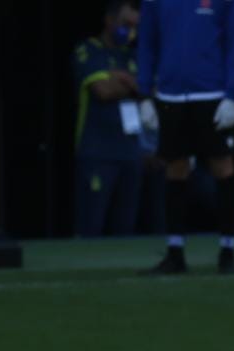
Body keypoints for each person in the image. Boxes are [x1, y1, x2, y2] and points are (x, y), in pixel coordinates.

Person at [137, 0, 234, 274]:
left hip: (211, 93)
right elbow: (147, 42)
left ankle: (228, 251)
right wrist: (144, 93)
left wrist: (233, 94)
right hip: (170, 95)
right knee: (175, 168)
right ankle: (175, 253)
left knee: (222, 166)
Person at [73, 1, 145, 237]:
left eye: (135, 26)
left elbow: (151, 87)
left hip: (131, 154)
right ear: (109, 20)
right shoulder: (88, 50)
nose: (130, 31)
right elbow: (103, 90)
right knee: (91, 225)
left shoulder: (135, 55)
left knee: (125, 228)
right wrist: (134, 84)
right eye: (126, 24)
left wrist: (122, 79)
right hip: (98, 153)